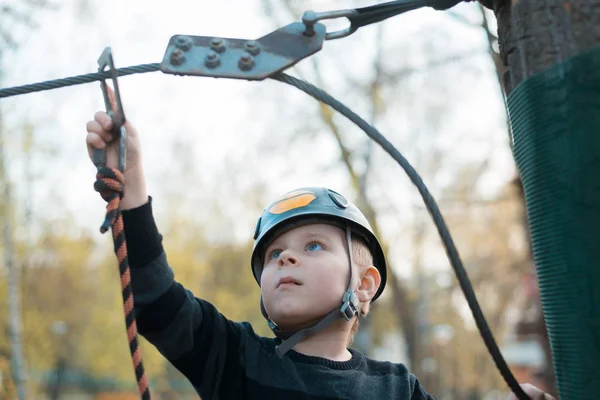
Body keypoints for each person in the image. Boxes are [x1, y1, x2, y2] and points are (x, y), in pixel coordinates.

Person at [85, 110, 556, 400]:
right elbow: (156, 300)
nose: (285, 260)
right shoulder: (234, 358)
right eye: (273, 255)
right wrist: (133, 183)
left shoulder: (397, 389)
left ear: (365, 285)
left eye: (313, 246)